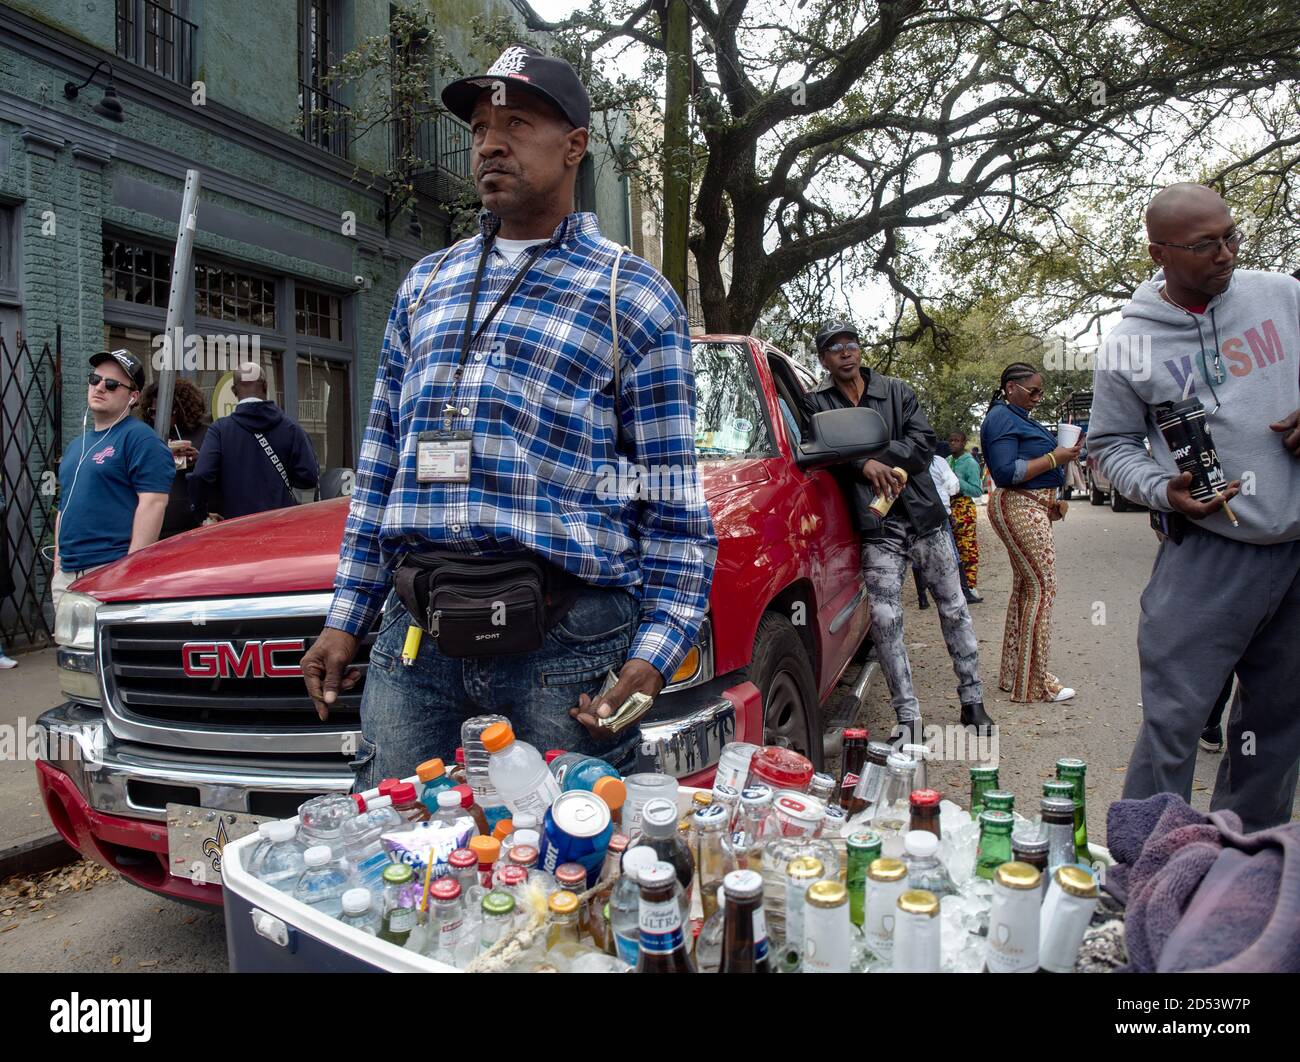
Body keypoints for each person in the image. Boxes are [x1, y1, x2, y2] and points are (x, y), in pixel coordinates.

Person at [298, 44, 717, 788]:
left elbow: (673, 506)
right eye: (480, 127)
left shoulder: (634, 296)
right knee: (406, 859)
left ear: (574, 147)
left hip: (567, 651)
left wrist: (654, 656)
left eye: (517, 123)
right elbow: (380, 469)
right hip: (416, 644)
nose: (489, 142)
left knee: (567, 873)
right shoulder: (425, 285)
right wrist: (345, 615)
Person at [1088, 181, 1300, 832]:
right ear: (1159, 253)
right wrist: (1163, 490)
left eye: (1233, 236)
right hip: (1207, 555)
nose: (1227, 254)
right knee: (1174, 724)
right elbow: (1109, 445)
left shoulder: (1285, 297)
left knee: (1275, 728)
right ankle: (1144, 869)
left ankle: (1240, 874)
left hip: (1295, 550)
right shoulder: (1128, 344)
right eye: (1206, 244)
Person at [804, 322, 991, 739]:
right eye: (835, 348)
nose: (846, 353)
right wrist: (860, 465)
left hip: (925, 517)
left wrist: (879, 461)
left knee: (955, 608)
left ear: (859, 350)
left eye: (851, 344)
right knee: (886, 621)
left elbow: (924, 441)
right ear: (824, 359)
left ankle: (972, 700)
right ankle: (909, 718)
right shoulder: (816, 402)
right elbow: (817, 450)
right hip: (876, 526)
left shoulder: (896, 391)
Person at [980, 363, 1081, 704]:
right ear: (1010, 387)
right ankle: (1036, 684)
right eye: (1033, 390)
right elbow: (1007, 472)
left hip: (1033, 506)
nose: (1039, 397)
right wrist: (1056, 458)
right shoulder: (1001, 418)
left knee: (1027, 588)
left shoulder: (1015, 415)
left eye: (1041, 391)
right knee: (1043, 588)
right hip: (1021, 505)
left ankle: (1016, 675)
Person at [53, 350, 174, 614]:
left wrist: (129, 569)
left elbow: (153, 503)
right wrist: (58, 565)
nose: (99, 387)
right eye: (94, 379)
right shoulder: (76, 446)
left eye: (111, 384)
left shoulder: (140, 439)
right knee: (72, 654)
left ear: (133, 396)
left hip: (109, 569)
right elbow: (65, 507)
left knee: (103, 653)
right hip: (67, 575)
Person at [188, 362, 319, 523]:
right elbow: (309, 476)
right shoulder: (291, 428)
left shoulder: (220, 430)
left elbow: (201, 475)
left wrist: (202, 515)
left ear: (234, 391)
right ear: (265, 386)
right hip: (282, 525)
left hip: (237, 527)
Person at [138, 379, 208, 538]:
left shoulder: (205, 435)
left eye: (168, 412)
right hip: (159, 529)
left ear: (183, 409)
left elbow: (221, 475)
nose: (158, 418)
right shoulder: (147, 437)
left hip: (195, 528)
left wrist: (200, 459)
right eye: (153, 412)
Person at [947, 431, 984, 602]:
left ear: (964, 443)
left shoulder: (970, 463)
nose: (953, 443)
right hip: (948, 508)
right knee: (951, 550)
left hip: (964, 508)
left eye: (957, 441)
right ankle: (956, 587)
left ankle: (970, 586)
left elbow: (977, 490)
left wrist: (956, 482)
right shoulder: (947, 460)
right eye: (951, 440)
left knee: (967, 549)